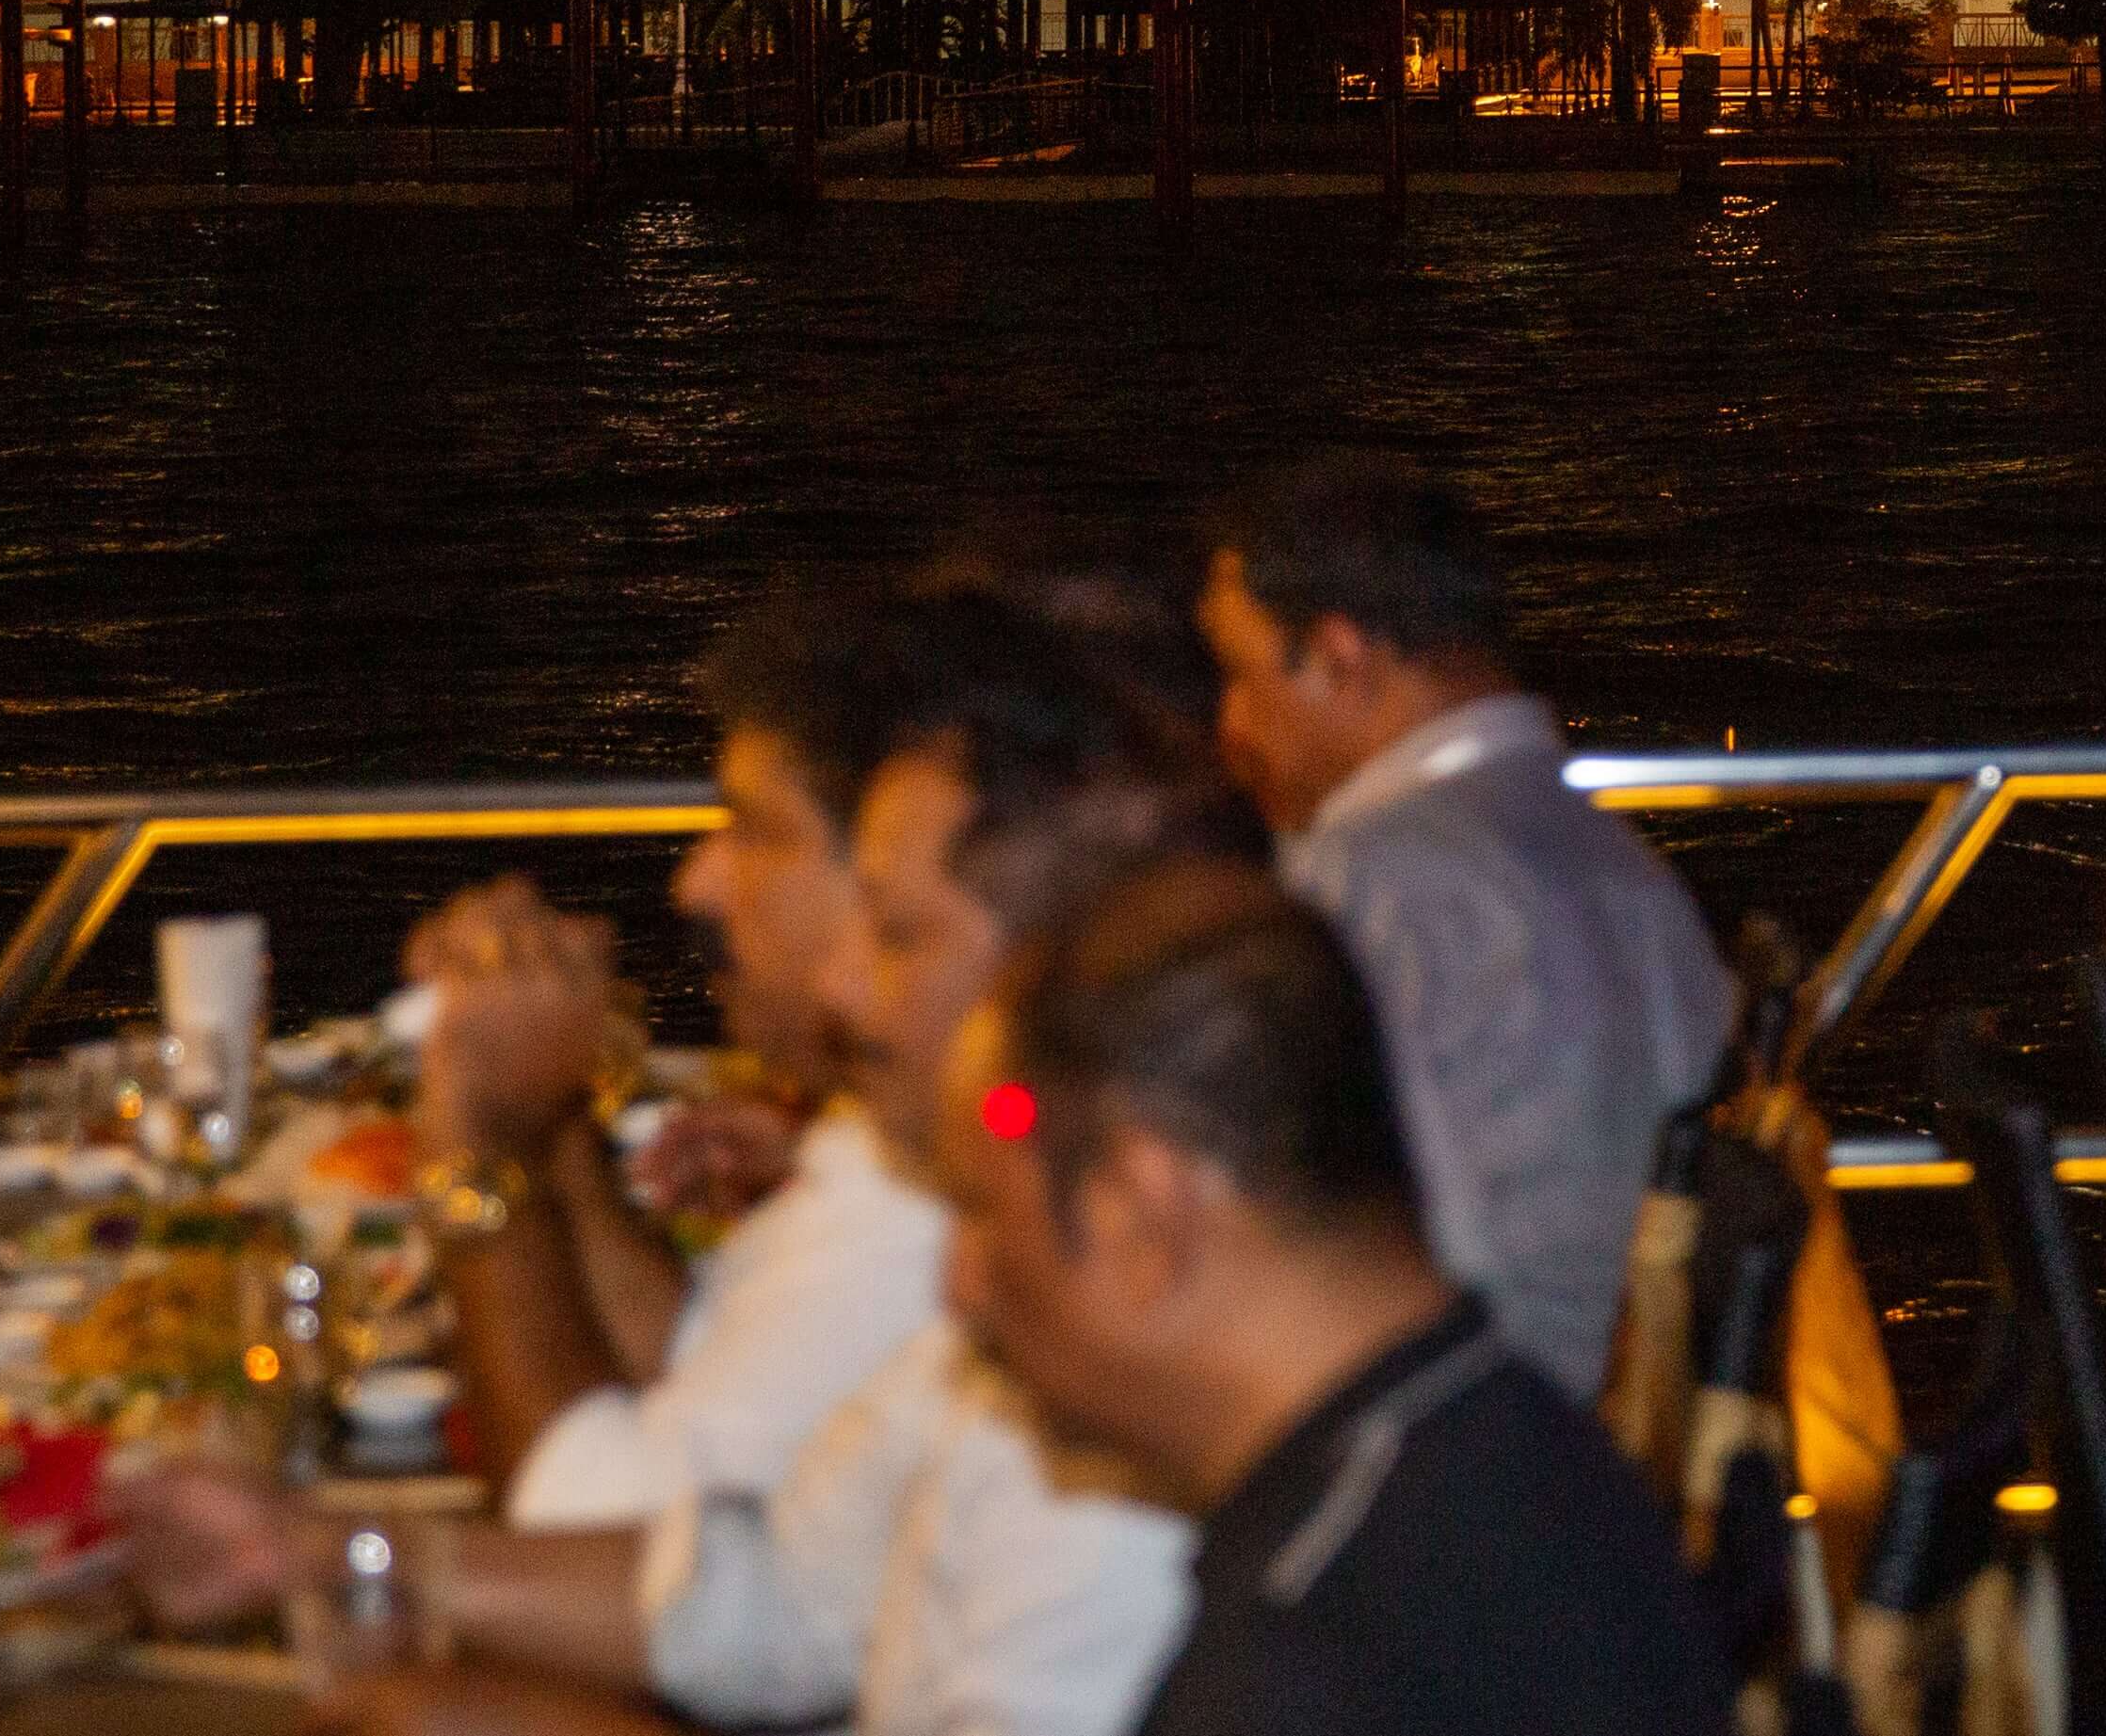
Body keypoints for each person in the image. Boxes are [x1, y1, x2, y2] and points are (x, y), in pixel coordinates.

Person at [147, 566, 1262, 1736]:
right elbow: (772, 1597)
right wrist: (306, 1546)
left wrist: (481, 1146)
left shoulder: (1138, 1424)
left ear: (1062, 957)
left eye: (894, 931)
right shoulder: (1022, 1293)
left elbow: (627, 1527)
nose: (843, 987)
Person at [940, 859, 1732, 1736]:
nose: (961, 1286)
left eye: (980, 1212)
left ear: (1138, 1222)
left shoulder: (1311, 1659)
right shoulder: (1513, 1446)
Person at [414, 582, 954, 1536]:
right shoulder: (873, 1138)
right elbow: (689, 1375)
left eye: (753, 829)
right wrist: (548, 1114)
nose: (695, 878)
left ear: (885, 868)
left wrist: (477, 1145)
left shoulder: (912, 1203)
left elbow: (599, 1543)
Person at [1196, 458, 1733, 1399]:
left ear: (1338, 658)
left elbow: (1319, 1240)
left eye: (1240, 676)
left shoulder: (1368, 879)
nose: (1231, 724)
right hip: (1613, 1425)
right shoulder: (1628, 871)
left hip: (1459, 1431)